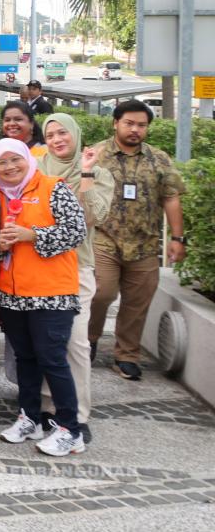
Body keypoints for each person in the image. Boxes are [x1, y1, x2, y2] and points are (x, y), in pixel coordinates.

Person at [0, 140, 89, 456]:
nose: (9, 167)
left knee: (52, 360)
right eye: (2, 162)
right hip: (12, 295)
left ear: (27, 159)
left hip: (51, 293)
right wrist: (0, 246)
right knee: (25, 359)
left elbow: (76, 231)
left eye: (15, 160)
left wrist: (32, 235)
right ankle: (29, 418)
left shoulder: (53, 187)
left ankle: (70, 430)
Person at [86, 99, 186, 382]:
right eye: (129, 123)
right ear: (115, 123)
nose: (135, 130)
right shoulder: (97, 154)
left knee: (137, 302)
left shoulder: (159, 159)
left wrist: (177, 238)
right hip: (103, 240)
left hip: (145, 244)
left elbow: (171, 198)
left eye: (141, 125)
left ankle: (127, 356)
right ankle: (88, 339)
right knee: (101, 292)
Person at [36, 112, 114, 442]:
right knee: (46, 340)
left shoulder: (98, 173)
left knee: (76, 341)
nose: (57, 139)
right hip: (40, 265)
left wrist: (85, 174)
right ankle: (48, 405)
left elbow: (94, 217)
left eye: (62, 132)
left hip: (77, 267)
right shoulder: (36, 169)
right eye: (50, 134)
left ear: (75, 134)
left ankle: (79, 414)